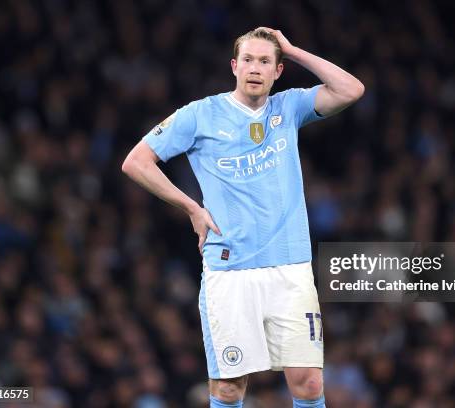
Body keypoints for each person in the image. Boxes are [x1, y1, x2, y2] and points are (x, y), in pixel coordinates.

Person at [122, 27, 364, 408]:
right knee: (230, 388)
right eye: (248, 60)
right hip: (230, 268)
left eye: (265, 61)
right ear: (234, 66)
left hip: (290, 267)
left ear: (277, 71)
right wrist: (191, 208)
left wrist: (295, 50)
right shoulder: (200, 114)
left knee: (309, 384)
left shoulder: (288, 107)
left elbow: (351, 90)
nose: (255, 68)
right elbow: (136, 162)